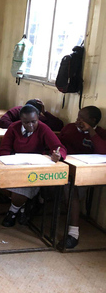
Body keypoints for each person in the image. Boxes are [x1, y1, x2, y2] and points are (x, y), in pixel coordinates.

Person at [0, 104, 67, 227]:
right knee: (4, 185)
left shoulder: (43, 128)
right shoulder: (13, 128)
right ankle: (24, 205)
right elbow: (4, 149)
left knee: (26, 183)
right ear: (20, 120)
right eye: (26, 122)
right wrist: (8, 163)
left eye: (33, 122)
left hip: (35, 167)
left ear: (38, 119)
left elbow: (59, 147)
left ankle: (13, 212)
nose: (30, 125)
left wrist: (59, 155)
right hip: (15, 165)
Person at [58, 106, 106, 249]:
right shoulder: (70, 128)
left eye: (82, 119)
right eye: (78, 117)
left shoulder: (100, 133)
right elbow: (59, 144)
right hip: (67, 168)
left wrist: (91, 131)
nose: (78, 121)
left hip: (88, 171)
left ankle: (73, 234)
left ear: (92, 121)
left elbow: (103, 151)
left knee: (74, 192)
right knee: (71, 190)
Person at [0, 99, 64, 131]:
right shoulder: (17, 110)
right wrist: (21, 127)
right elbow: (2, 121)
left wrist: (45, 112)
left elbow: (59, 125)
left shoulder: (38, 118)